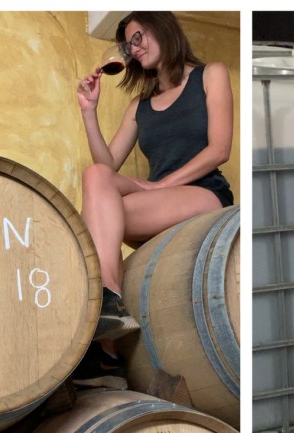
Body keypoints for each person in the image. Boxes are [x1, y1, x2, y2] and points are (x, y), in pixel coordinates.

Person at [72, 11, 235, 388]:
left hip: (203, 196)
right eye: (129, 44)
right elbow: (107, 166)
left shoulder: (210, 75)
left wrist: (159, 187)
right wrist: (89, 112)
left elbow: (219, 149)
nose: (135, 48)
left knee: (92, 218)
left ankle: (105, 352)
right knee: (96, 178)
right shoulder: (139, 106)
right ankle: (110, 303)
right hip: (156, 205)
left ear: (164, 29)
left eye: (140, 36)